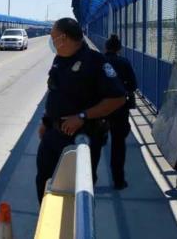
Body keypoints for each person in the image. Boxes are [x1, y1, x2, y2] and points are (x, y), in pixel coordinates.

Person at [36, 18, 127, 203]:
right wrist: (46, 121)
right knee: (45, 182)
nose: (51, 40)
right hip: (53, 135)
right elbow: (56, 92)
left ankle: (75, 229)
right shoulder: (60, 59)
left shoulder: (96, 62)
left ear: (63, 38)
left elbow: (118, 97)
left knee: (77, 191)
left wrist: (82, 116)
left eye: (53, 36)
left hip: (81, 139)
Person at [103, 34, 138, 190]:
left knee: (95, 144)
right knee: (118, 144)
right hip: (119, 108)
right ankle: (118, 181)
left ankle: (90, 180)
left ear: (106, 47)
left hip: (100, 108)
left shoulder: (99, 61)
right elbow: (133, 85)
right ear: (119, 49)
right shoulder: (124, 62)